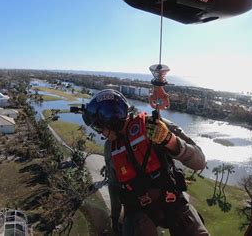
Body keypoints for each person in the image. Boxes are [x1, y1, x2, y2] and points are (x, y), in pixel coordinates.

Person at [77, 89, 209, 236]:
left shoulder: (154, 126)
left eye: (99, 127)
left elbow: (200, 162)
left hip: (172, 201)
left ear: (112, 121)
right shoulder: (111, 147)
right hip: (137, 211)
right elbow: (115, 187)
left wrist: (170, 141)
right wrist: (116, 219)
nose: (99, 133)